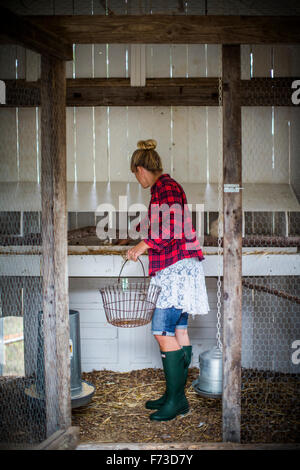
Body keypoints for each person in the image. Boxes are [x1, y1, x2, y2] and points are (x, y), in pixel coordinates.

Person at [126, 139, 210, 421]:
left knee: (162, 330)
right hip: (180, 267)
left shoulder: (165, 187)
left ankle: (176, 399)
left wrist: (143, 245)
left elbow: (171, 228)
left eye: (135, 174)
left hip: (178, 269)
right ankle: (175, 395)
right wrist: (144, 231)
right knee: (179, 330)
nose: (137, 179)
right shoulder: (166, 188)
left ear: (141, 169)